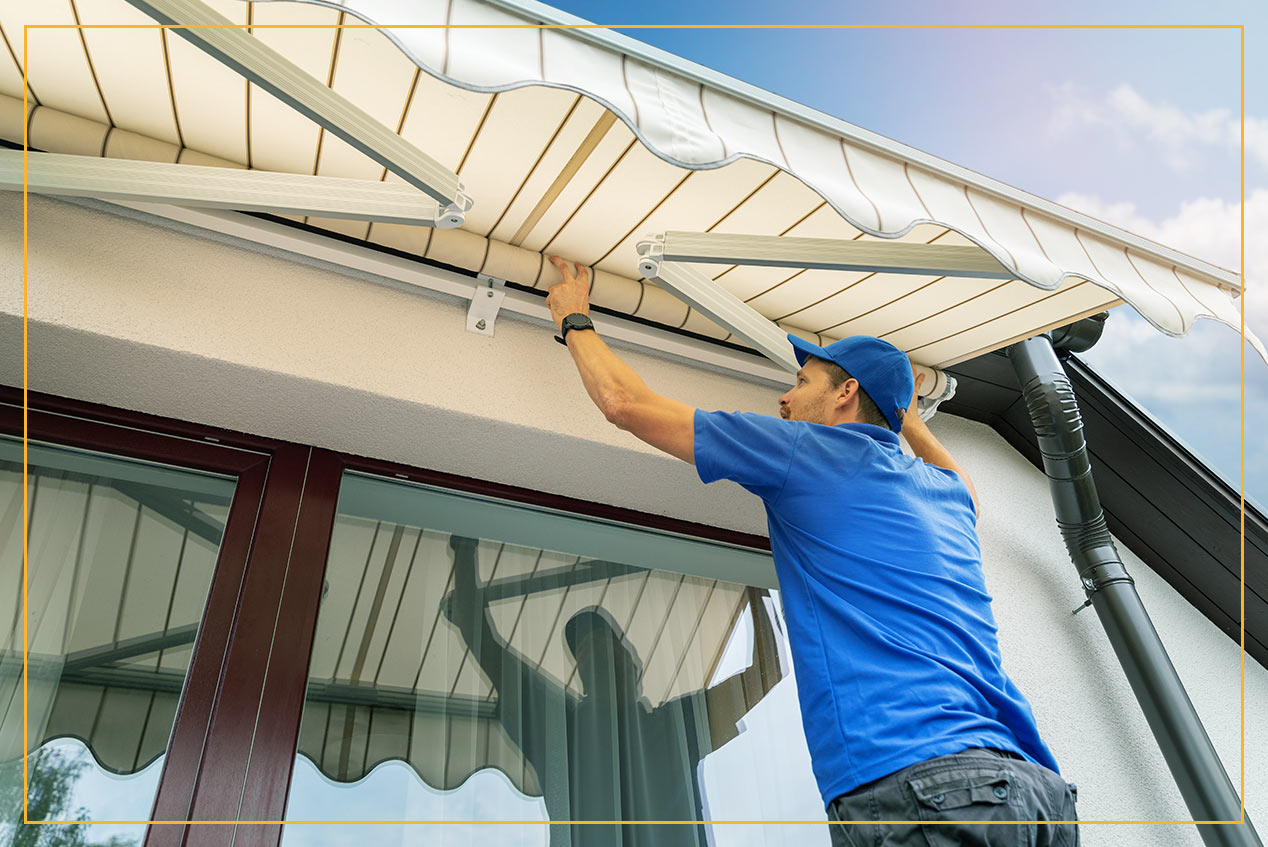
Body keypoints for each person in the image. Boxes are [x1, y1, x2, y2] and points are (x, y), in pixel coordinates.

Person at [542, 255, 1080, 847]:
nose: (785, 399)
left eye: (801, 383)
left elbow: (626, 405)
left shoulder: (808, 453)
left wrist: (575, 320)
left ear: (847, 394)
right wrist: (906, 416)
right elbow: (958, 477)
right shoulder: (947, 498)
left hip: (922, 786)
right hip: (1036, 795)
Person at [442, 535, 782, 847]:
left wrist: (755, 574)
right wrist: (464, 543)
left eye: (605, 650)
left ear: (632, 666)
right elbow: (481, 639)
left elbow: (766, 674)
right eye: (588, 656)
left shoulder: (671, 727)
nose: (597, 659)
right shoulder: (562, 734)